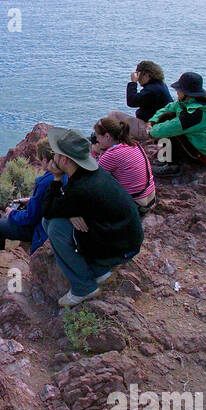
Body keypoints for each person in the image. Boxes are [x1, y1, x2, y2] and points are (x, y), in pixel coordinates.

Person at [40, 126, 143, 307]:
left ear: (64, 160)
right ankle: (99, 270)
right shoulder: (88, 175)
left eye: (55, 154)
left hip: (122, 247)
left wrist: (56, 178)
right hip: (122, 237)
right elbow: (60, 207)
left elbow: (48, 209)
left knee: (55, 228)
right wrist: (70, 212)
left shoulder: (82, 187)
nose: (52, 157)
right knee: (50, 221)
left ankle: (83, 287)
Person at [146, 72, 206, 177]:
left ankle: (173, 166)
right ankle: (166, 157)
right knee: (167, 116)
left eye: (179, 89)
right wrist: (153, 121)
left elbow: (169, 128)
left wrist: (151, 131)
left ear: (187, 93)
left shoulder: (195, 114)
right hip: (197, 143)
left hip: (201, 154)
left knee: (170, 130)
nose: (177, 92)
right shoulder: (189, 102)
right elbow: (168, 108)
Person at [0, 139, 54, 252]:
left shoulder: (45, 182)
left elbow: (30, 217)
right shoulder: (64, 175)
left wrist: (12, 213)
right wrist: (31, 200)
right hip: (49, 226)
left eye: (40, 159)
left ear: (45, 160)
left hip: (40, 229)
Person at [90, 117, 157, 214]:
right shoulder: (133, 144)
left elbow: (93, 179)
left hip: (136, 206)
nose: (96, 140)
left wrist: (94, 154)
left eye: (97, 136)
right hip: (150, 199)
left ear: (107, 136)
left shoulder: (111, 155)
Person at [106, 60, 172, 140]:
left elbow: (131, 102)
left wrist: (133, 83)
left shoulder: (152, 90)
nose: (138, 78)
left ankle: (111, 142)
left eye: (139, 75)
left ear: (147, 75)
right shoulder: (160, 85)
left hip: (149, 129)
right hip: (156, 126)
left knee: (113, 115)